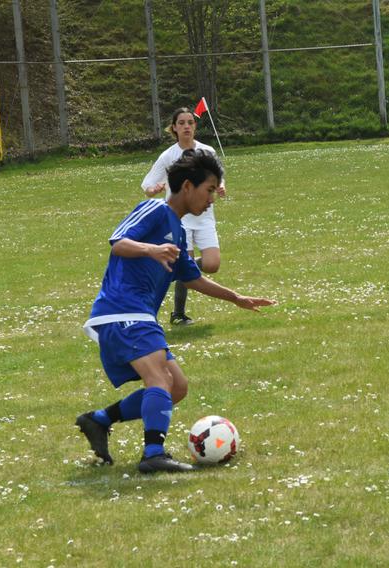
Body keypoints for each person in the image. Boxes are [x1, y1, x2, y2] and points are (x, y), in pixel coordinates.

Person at [76, 150, 275, 473]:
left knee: (176, 387)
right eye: (209, 190)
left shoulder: (179, 232)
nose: (212, 198)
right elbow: (118, 242)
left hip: (138, 315)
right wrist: (151, 249)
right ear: (187, 186)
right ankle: (153, 454)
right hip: (123, 309)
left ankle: (99, 420)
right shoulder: (154, 209)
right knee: (158, 378)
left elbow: (192, 278)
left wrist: (237, 297)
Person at [142, 107, 227, 325]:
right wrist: (153, 190)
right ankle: (178, 314)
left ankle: (182, 268)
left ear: (195, 126)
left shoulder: (207, 151)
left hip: (205, 217)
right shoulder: (168, 156)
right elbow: (148, 184)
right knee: (186, 269)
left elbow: (218, 175)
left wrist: (220, 186)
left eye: (190, 122)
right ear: (174, 128)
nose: (187, 126)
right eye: (181, 123)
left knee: (212, 264)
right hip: (180, 219)